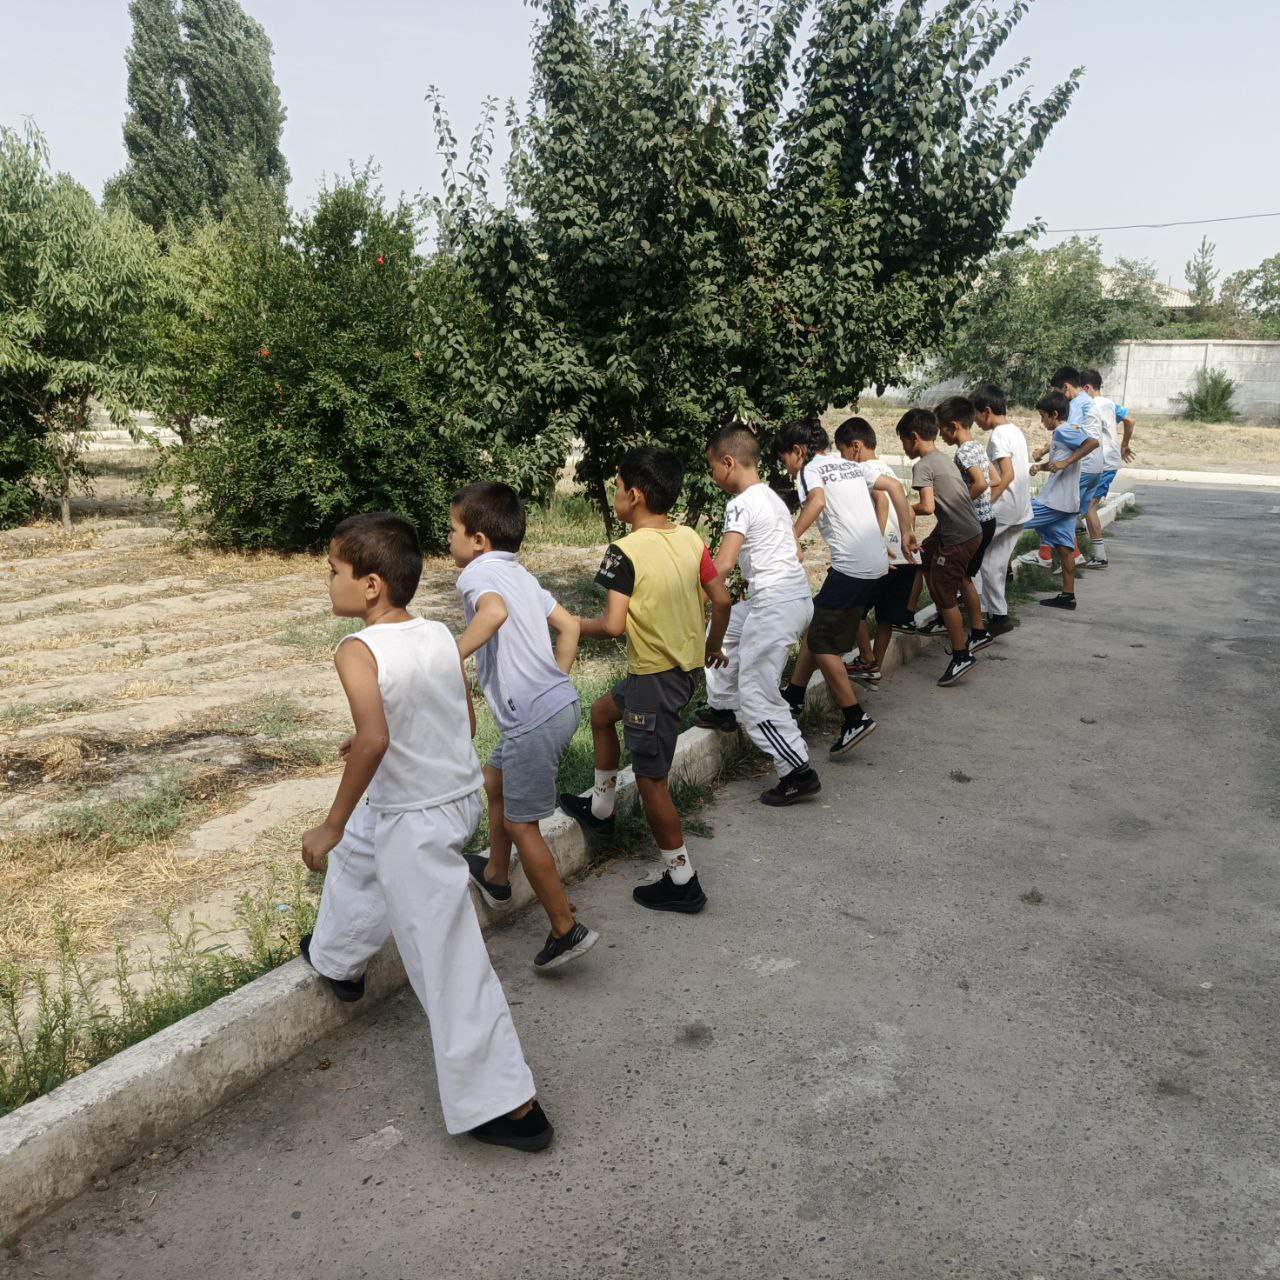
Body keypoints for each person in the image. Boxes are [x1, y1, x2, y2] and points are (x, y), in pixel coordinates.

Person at [300, 512, 552, 1152]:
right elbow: (462, 721)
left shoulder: (356, 650)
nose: (327, 581)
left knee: (446, 955)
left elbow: (375, 740)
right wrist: (371, 749)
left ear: (371, 585)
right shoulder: (438, 633)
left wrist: (329, 823)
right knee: (364, 850)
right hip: (451, 798)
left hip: (417, 819)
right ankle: (338, 959)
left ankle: (509, 1104)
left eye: (334, 571)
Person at [559, 446, 732, 913]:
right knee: (602, 714)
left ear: (634, 495)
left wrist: (572, 624)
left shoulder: (624, 552)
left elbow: (613, 625)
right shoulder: (691, 539)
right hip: (679, 673)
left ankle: (682, 880)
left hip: (654, 681)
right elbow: (722, 600)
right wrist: (713, 645)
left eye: (617, 487)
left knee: (653, 782)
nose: (615, 493)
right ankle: (601, 809)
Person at [448, 481, 599, 972]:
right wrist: (556, 681)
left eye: (452, 530)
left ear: (478, 541)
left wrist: (448, 655)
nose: (448, 539)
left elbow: (493, 613)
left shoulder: (476, 574)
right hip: (558, 706)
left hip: (531, 721)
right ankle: (496, 875)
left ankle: (565, 929)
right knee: (494, 779)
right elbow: (570, 626)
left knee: (520, 822)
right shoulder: (522, 574)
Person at [773, 417, 918, 755]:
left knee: (822, 642)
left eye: (785, 460)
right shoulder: (849, 464)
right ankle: (794, 695)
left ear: (798, 451)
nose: (787, 469)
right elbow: (895, 488)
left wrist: (789, 537)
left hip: (851, 569)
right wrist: (907, 531)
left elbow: (817, 502)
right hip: (877, 565)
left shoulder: (809, 470)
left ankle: (854, 718)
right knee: (818, 624)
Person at [706, 421, 822, 804]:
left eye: (712, 467)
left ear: (728, 462)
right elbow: (796, 552)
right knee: (726, 631)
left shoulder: (739, 504)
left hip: (774, 606)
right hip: (792, 598)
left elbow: (723, 565)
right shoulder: (772, 498)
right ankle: (722, 706)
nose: (712, 476)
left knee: (757, 694)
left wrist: (688, 589)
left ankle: (797, 771)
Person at [895, 408, 984, 687]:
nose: (903, 447)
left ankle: (961, 654)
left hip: (958, 536)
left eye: (903, 441)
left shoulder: (922, 465)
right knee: (926, 554)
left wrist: (904, 508)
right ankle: (917, 615)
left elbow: (927, 506)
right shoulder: (943, 458)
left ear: (914, 437)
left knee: (945, 592)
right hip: (970, 529)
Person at [833, 416, 922, 678]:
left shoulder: (862, 471)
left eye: (842, 451)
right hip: (904, 558)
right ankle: (875, 666)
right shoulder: (887, 469)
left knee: (855, 609)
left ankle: (867, 659)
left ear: (855, 446)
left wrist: (878, 544)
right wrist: (908, 534)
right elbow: (908, 511)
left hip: (885, 558)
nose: (843, 459)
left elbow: (881, 501)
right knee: (886, 617)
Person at [1025, 390, 1100, 610]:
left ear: (1054, 414)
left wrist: (1066, 462)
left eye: (1043, 416)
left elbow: (1093, 443)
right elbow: (1058, 463)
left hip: (1053, 502)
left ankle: (1004, 573)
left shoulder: (1062, 431)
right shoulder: (1068, 430)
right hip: (1068, 504)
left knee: (1011, 520)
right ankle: (1068, 596)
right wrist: (1040, 467)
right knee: (1065, 549)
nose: (1042, 421)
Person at [935, 395, 995, 652]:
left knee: (963, 578)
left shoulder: (963, 452)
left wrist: (960, 505)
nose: (940, 435)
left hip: (974, 524)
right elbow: (994, 479)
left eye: (941, 429)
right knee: (965, 577)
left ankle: (978, 630)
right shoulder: (978, 446)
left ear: (954, 426)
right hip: (987, 519)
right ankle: (976, 629)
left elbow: (980, 483)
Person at [972, 383, 1032, 635]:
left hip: (1004, 509)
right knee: (993, 563)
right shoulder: (1015, 431)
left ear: (986, 411)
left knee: (971, 554)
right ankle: (998, 616)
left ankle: (972, 610)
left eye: (975, 415)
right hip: (1021, 509)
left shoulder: (998, 435)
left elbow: (1006, 475)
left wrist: (986, 504)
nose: (975, 421)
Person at [1077, 369, 1129, 568]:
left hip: (1103, 461)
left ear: (1086, 388)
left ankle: (1099, 555)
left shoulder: (1090, 406)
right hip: (1108, 460)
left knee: (1089, 505)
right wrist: (1124, 444)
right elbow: (1130, 421)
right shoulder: (1110, 404)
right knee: (1084, 501)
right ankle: (1079, 528)